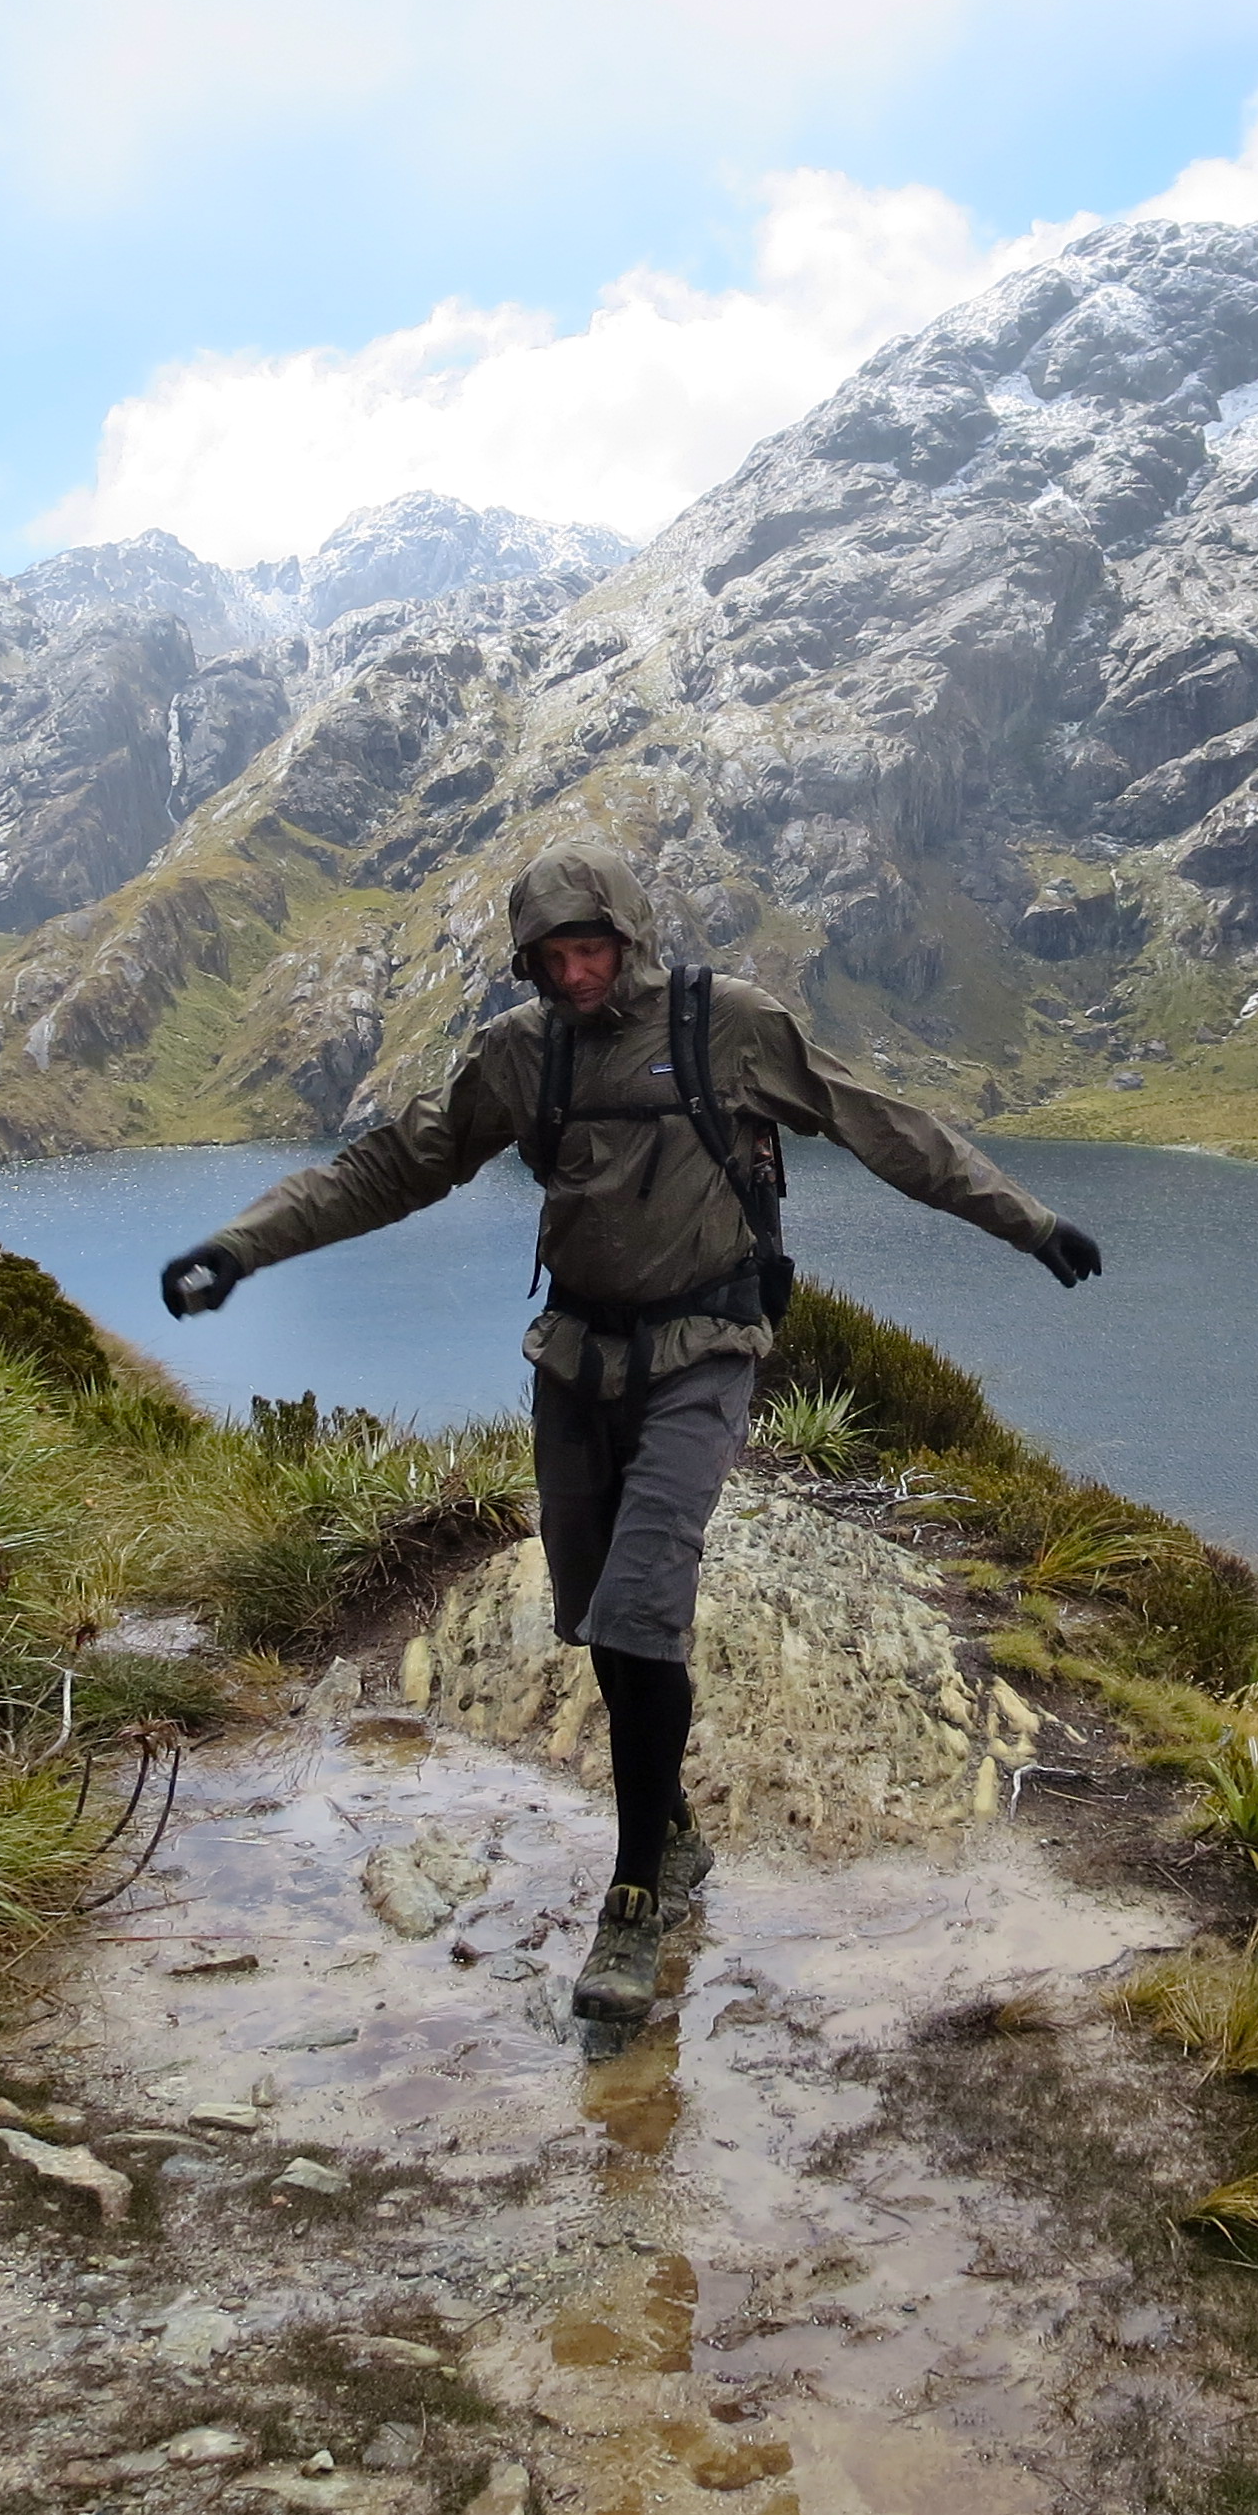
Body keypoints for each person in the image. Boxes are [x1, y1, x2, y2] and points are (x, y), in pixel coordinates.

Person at [156, 844, 1103, 2028]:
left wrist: (1028, 1223)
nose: (574, 974)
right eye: (551, 958)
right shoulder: (521, 1053)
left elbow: (881, 1126)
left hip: (704, 1350)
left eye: (589, 948)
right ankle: (675, 1830)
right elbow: (393, 1167)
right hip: (575, 1360)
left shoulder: (730, 1025)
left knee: (644, 1601)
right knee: (598, 1616)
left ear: (631, 935)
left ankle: (635, 1897)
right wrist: (241, 1247)